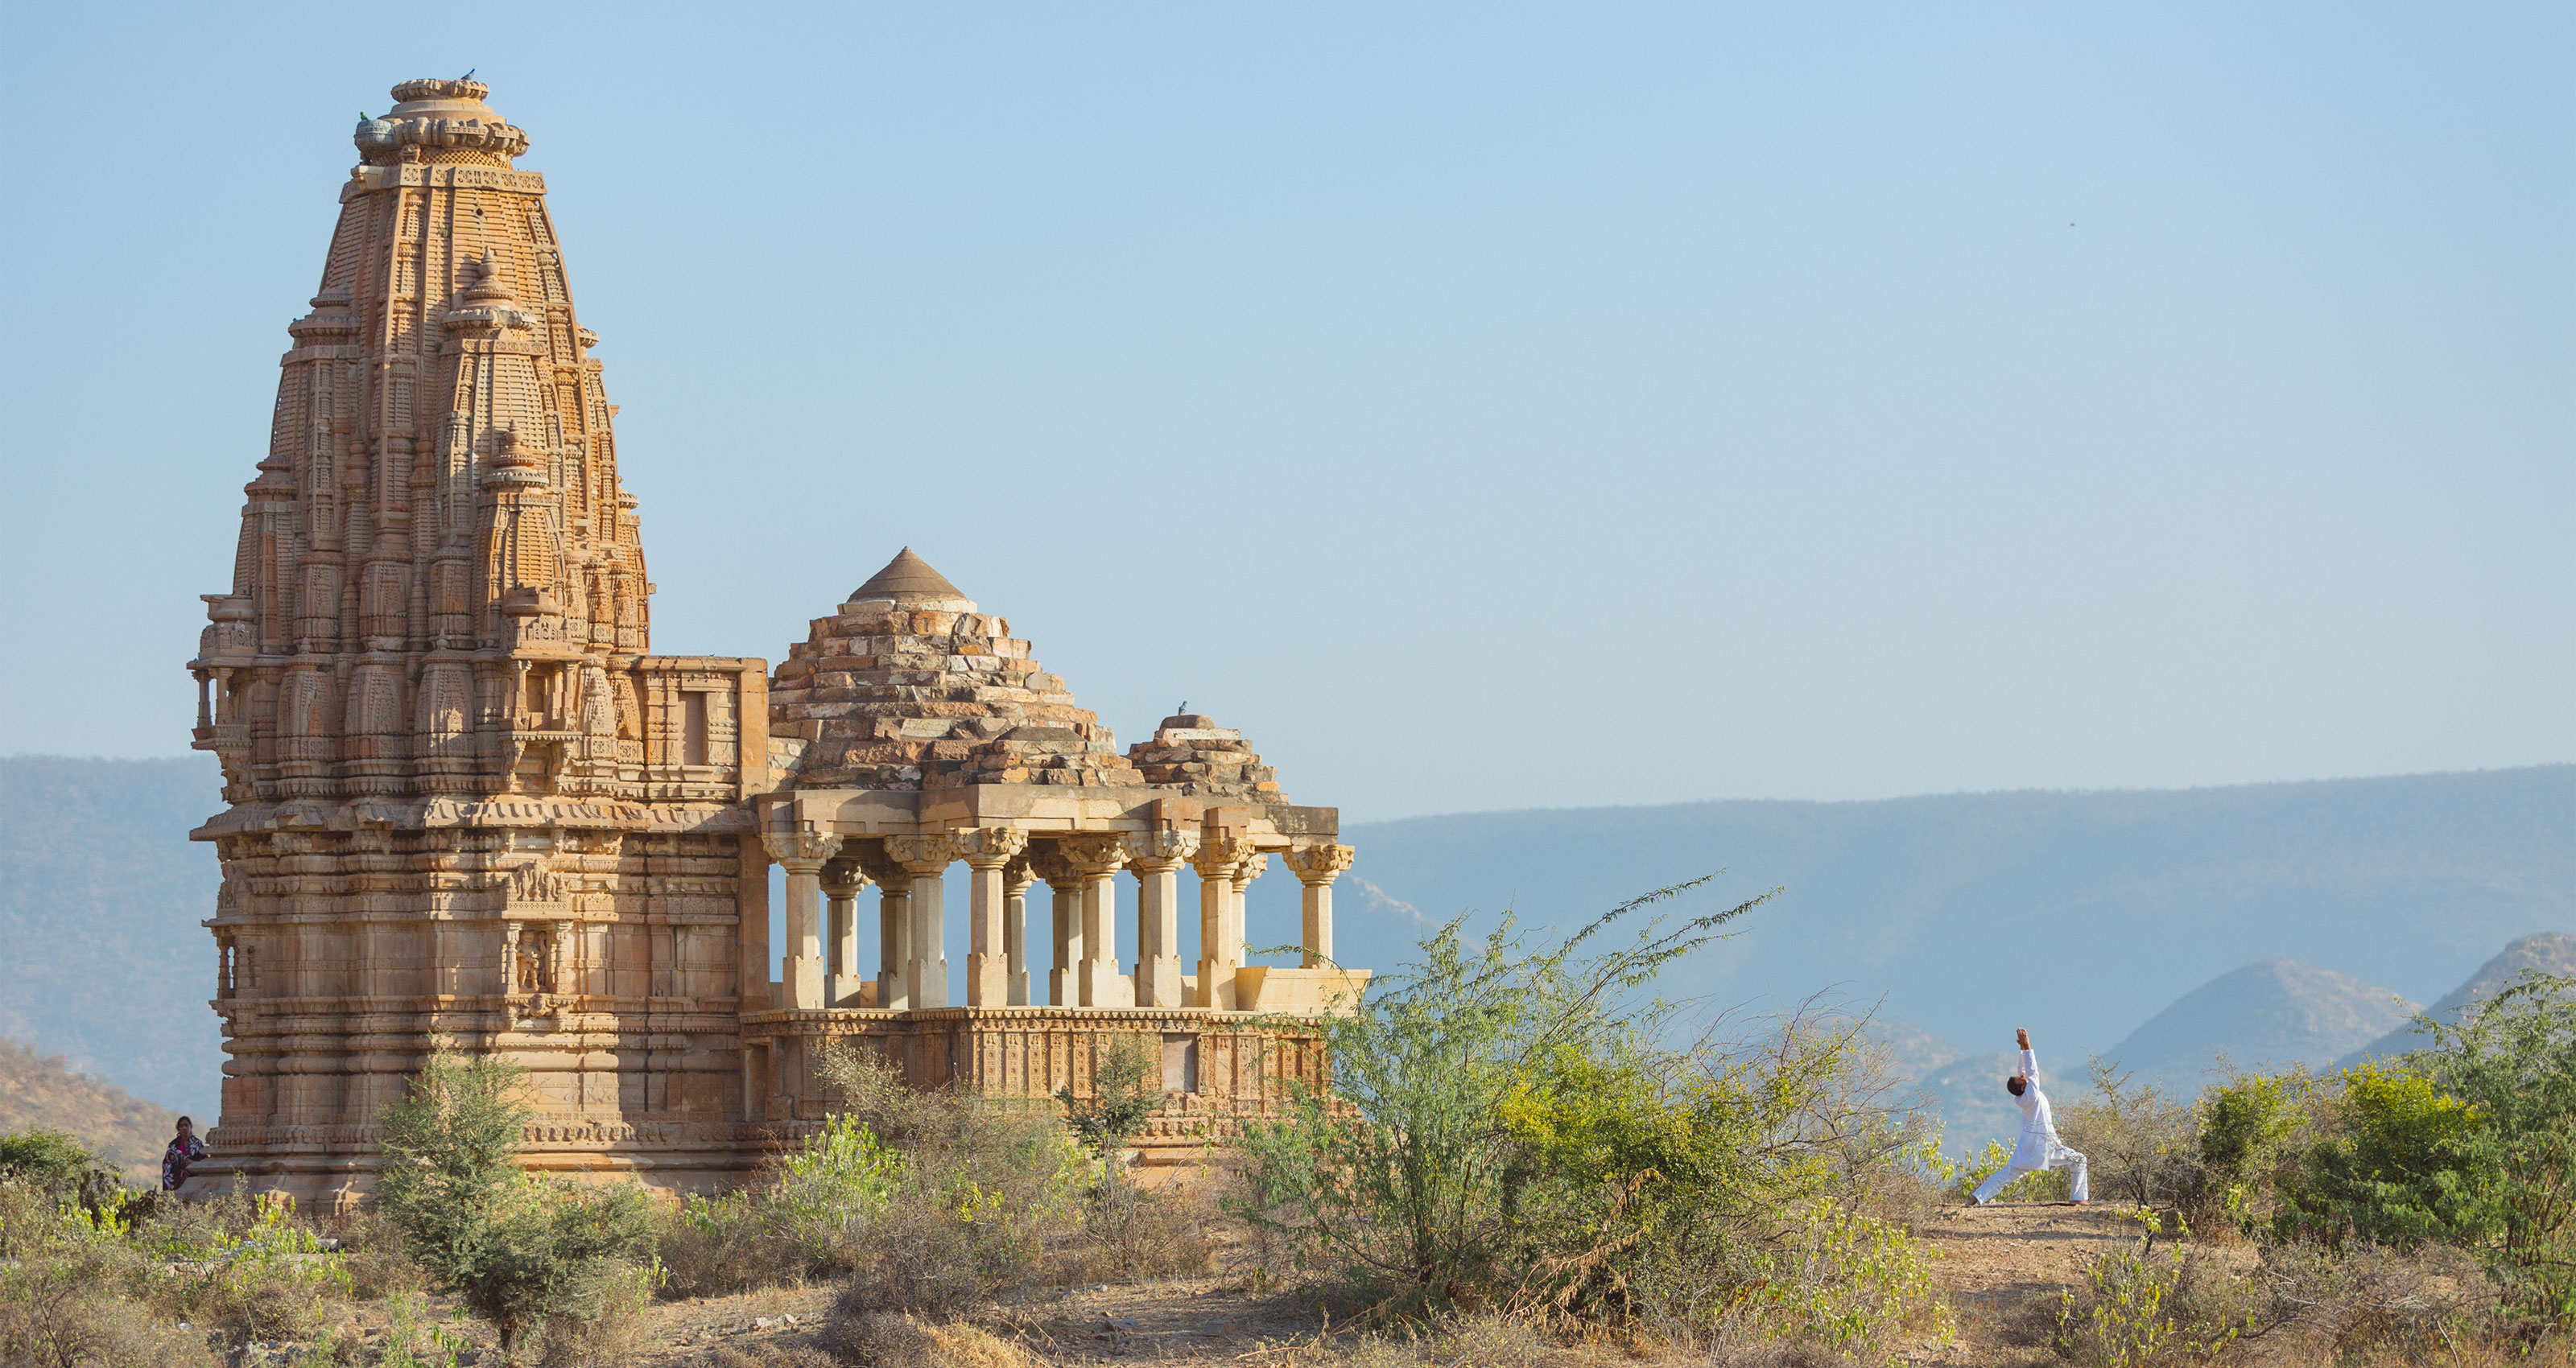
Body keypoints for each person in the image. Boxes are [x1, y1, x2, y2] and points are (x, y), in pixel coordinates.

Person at [1970, 1027, 2088, 1205]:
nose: (2024, 1076)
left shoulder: (2022, 1097)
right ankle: (2078, 1199)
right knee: (2079, 1160)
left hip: (2028, 1148)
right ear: (2024, 1087)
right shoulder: (2032, 1094)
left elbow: (2024, 1070)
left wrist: (2022, 1048)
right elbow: (2033, 1071)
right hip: (2045, 1145)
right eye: (2024, 1079)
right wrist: (2028, 1045)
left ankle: (1975, 1198)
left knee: (2007, 1174)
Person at [161, 1115, 207, 1193]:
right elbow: (167, 1164)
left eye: (186, 1125)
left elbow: (205, 1161)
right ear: (179, 1129)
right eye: (181, 1126)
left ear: (190, 1127)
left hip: (195, 1177)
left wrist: (193, 1164)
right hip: (179, 1180)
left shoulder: (197, 1144)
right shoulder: (174, 1145)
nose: (184, 1128)